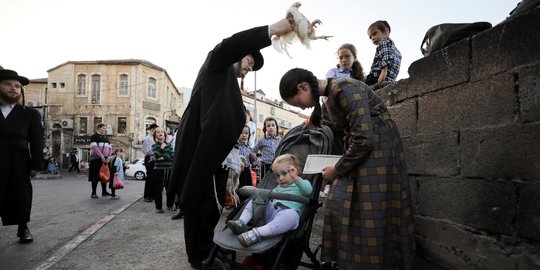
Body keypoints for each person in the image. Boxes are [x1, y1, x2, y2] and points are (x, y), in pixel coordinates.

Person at [167, 18, 293, 269]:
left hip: (215, 155)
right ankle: (200, 257)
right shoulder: (217, 64)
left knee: (211, 206)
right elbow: (231, 44)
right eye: (249, 61)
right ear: (238, 55)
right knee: (199, 203)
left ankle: (205, 250)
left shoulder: (230, 84)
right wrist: (272, 30)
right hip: (198, 146)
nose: (249, 68)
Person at [278, 68, 415, 269]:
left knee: (373, 207)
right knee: (338, 204)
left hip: (379, 149)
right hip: (364, 150)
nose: (304, 107)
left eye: (298, 103)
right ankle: (351, 262)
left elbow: (364, 138)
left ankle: (378, 262)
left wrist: (337, 170)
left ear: (303, 87)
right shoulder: (330, 97)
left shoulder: (345, 87)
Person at [226, 154, 312, 247]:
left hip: (283, 217)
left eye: (284, 173)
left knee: (293, 216)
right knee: (256, 199)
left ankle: (257, 233)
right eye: (277, 175)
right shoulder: (278, 187)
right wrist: (256, 191)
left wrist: (296, 178)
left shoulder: (301, 184)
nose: (281, 178)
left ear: (295, 171)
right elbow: (267, 197)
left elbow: (308, 191)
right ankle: (241, 222)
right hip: (270, 214)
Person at [0, 69, 44, 243]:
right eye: (8, 84)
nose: (14, 88)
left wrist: (36, 164)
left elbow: (37, 140)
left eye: (17, 86)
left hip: (18, 160)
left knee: (21, 195)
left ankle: (23, 227)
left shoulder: (30, 114)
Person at [365, 20, 402, 86]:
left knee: (361, 87)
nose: (372, 38)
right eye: (370, 37)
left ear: (385, 32)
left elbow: (386, 58)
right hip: (389, 78)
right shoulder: (397, 52)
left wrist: (383, 72)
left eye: (374, 34)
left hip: (376, 76)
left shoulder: (383, 42)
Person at [150, 127, 174, 213]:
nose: (160, 133)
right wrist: (162, 148)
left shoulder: (170, 145)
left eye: (162, 132)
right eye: (157, 132)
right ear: (155, 135)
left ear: (164, 134)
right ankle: (158, 207)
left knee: (170, 188)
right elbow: (156, 155)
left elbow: (172, 156)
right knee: (158, 189)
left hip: (169, 169)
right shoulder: (154, 146)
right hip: (158, 170)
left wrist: (162, 157)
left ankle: (170, 205)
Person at [88, 123, 112, 199]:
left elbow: (110, 148)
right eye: (104, 128)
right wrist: (101, 156)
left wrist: (109, 156)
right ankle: (93, 193)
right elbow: (94, 147)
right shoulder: (94, 137)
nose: (105, 130)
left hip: (105, 160)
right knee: (95, 176)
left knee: (104, 176)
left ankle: (104, 192)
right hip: (96, 159)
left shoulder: (106, 138)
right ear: (99, 128)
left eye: (106, 128)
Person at [142, 123, 158, 202]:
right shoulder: (148, 138)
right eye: (156, 130)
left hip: (155, 158)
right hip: (149, 158)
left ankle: (152, 195)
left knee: (154, 177)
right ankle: (147, 196)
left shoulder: (154, 138)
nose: (157, 132)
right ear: (152, 130)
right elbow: (147, 150)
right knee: (150, 177)